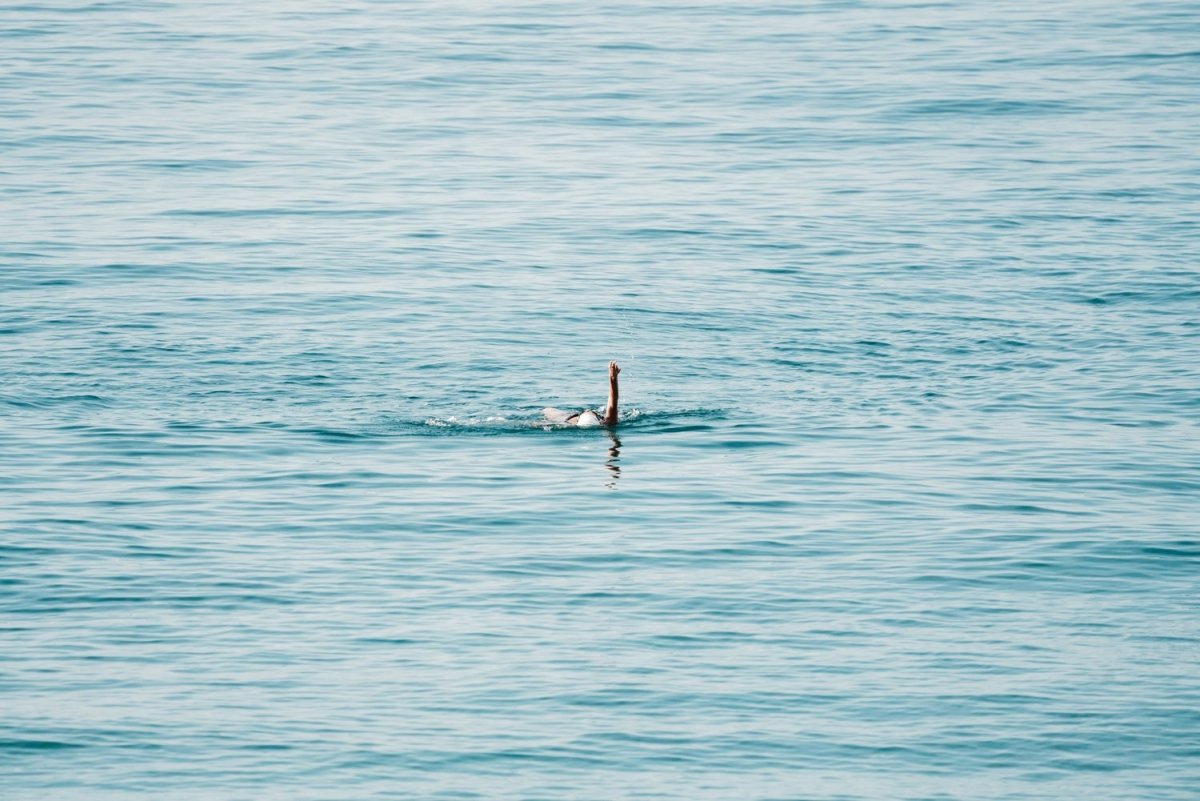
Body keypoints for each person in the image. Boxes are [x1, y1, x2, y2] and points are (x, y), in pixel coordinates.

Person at [543, 361, 620, 427]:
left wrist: (612, 378)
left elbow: (612, 403)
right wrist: (613, 378)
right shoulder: (608, 422)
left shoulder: (607, 422)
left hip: (570, 419)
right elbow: (612, 403)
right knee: (548, 410)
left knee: (547, 410)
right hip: (574, 419)